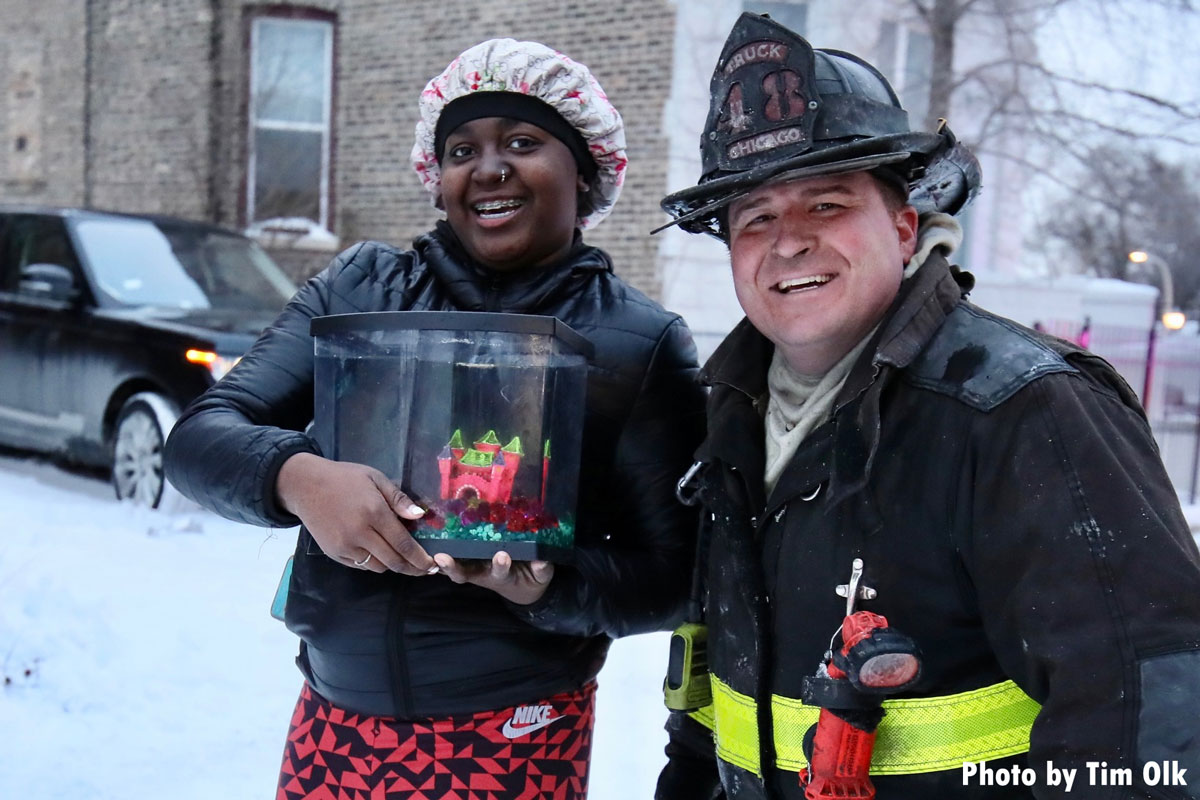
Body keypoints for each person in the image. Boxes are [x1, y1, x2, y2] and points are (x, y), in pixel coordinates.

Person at [652, 13, 1200, 800]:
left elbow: (1148, 730)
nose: (789, 241)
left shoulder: (1027, 412)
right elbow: (713, 708)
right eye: (756, 218)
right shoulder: (730, 416)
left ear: (906, 229)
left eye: (828, 204)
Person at [164, 38, 705, 800]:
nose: (488, 167)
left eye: (522, 142)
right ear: (437, 176)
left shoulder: (637, 342)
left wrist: (547, 589)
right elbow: (198, 440)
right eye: (461, 149)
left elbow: (675, 575)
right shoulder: (361, 289)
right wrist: (297, 477)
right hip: (336, 720)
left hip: (517, 730)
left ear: (584, 172)